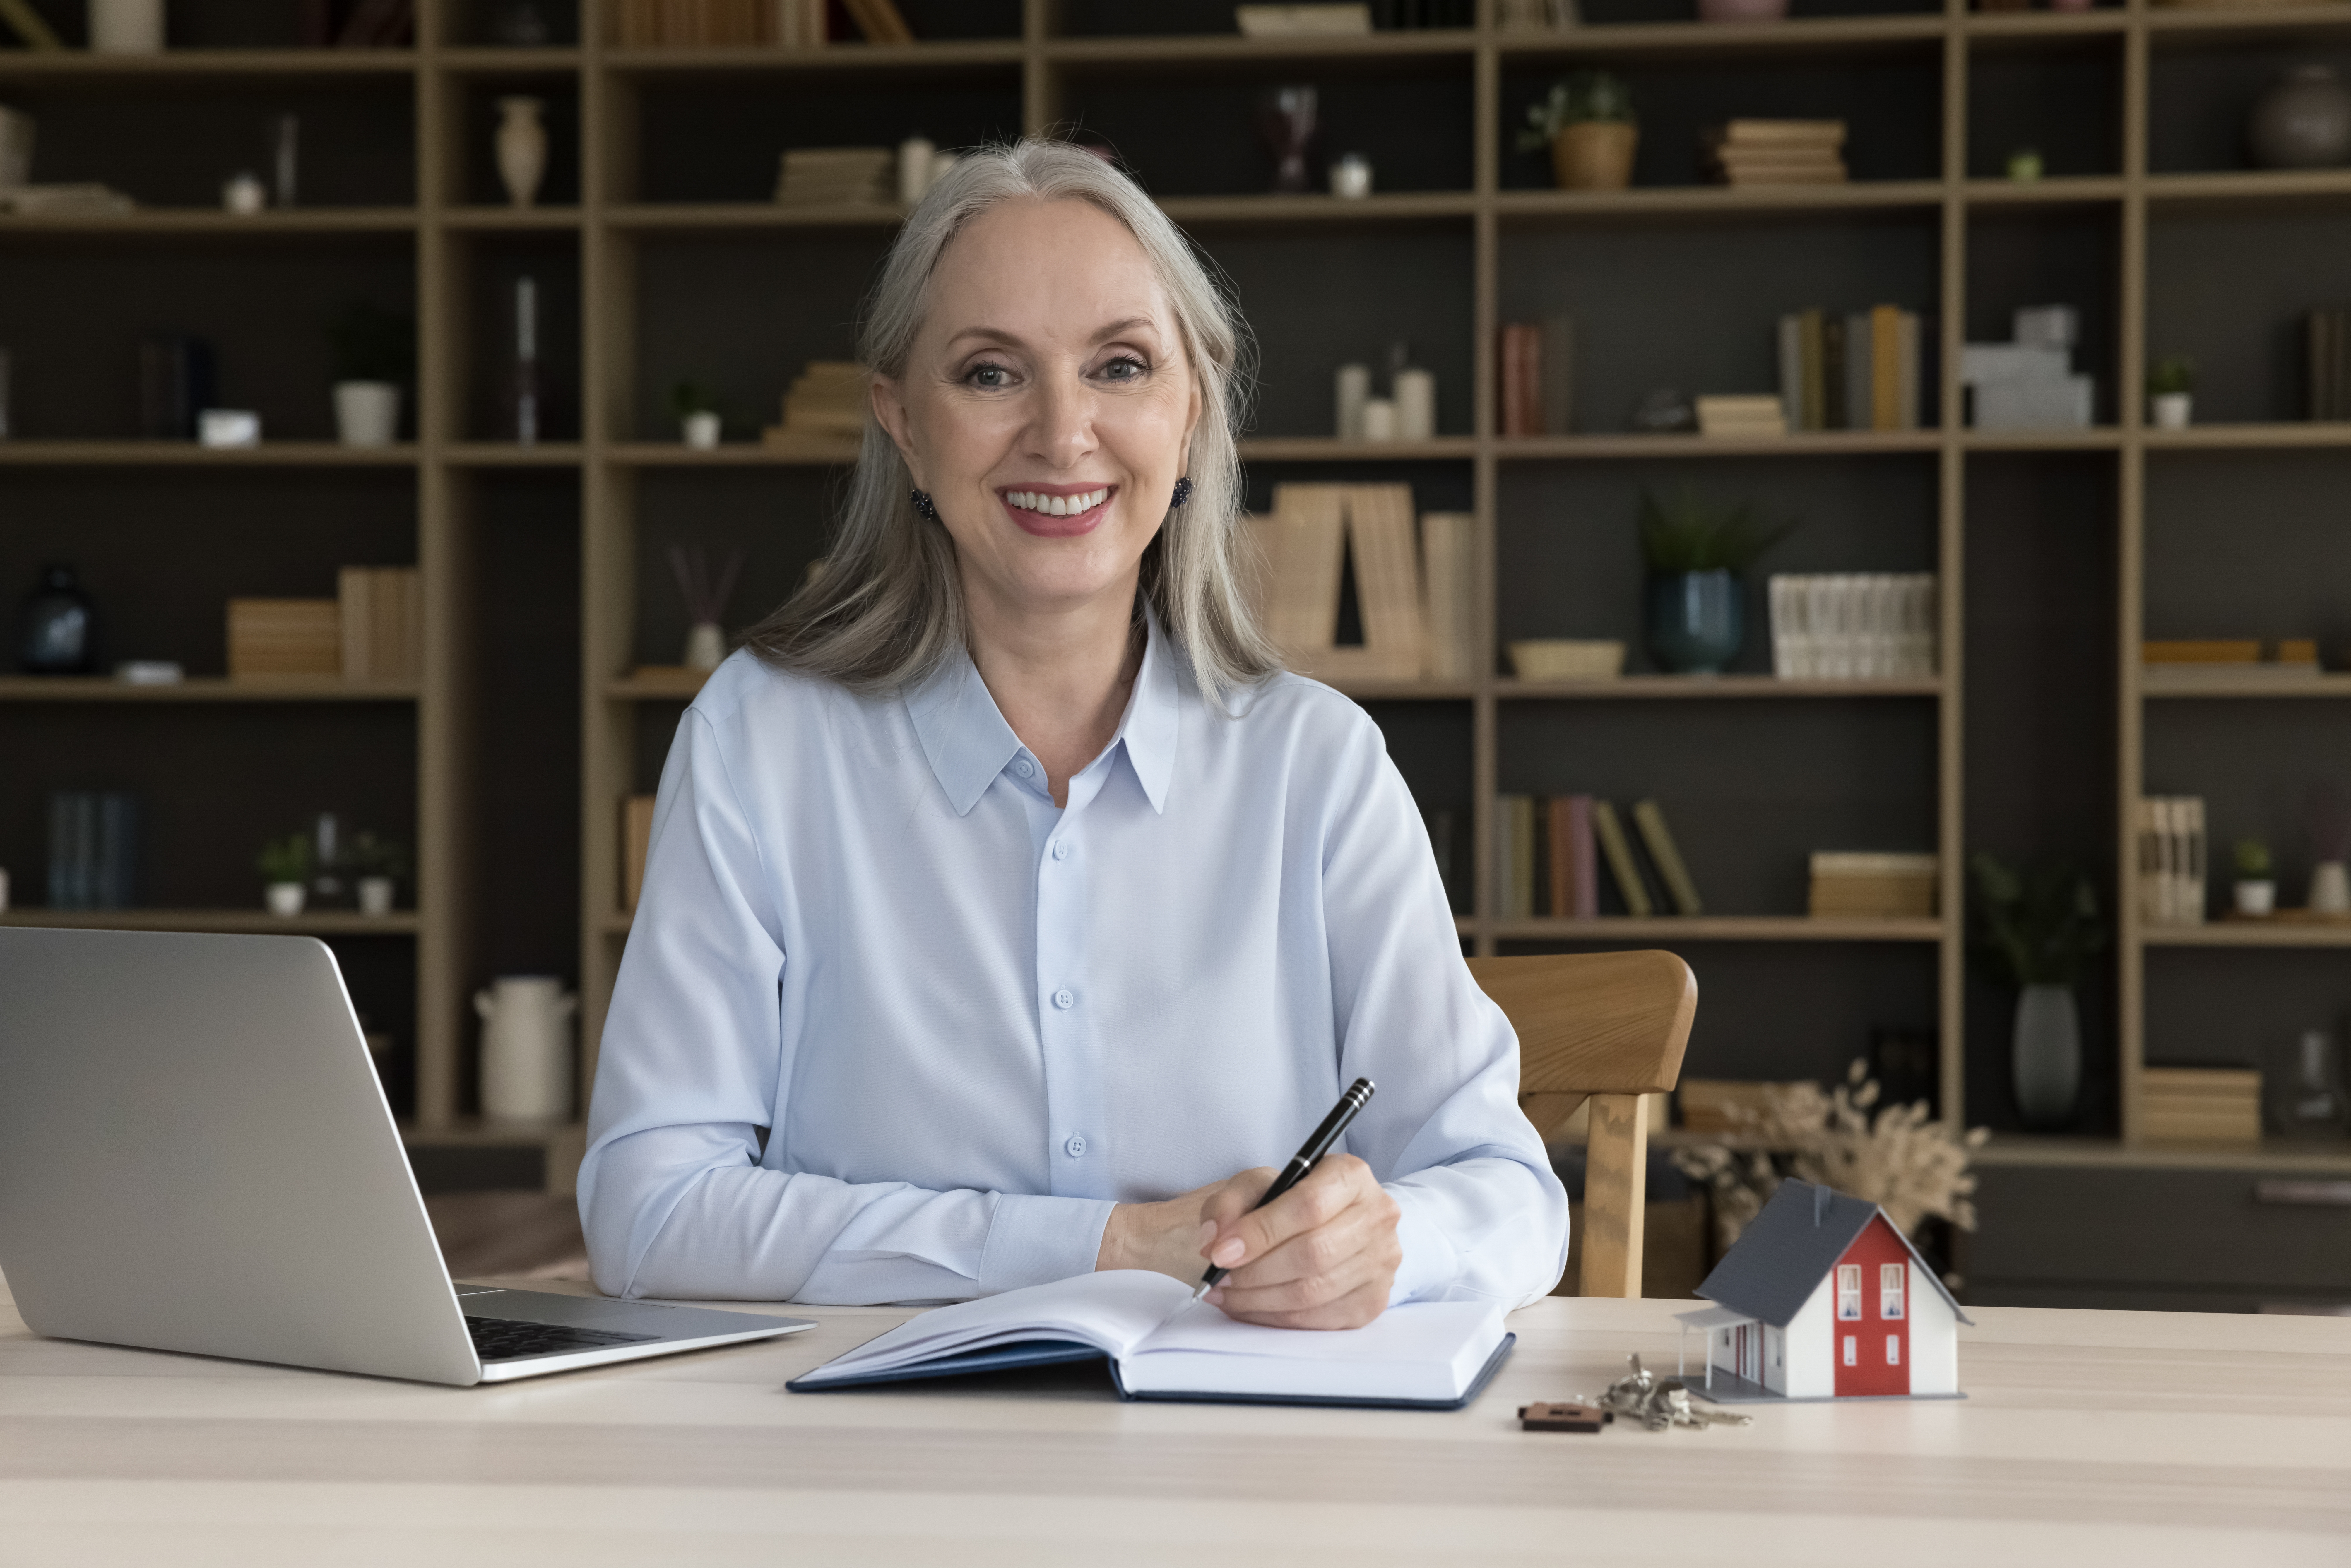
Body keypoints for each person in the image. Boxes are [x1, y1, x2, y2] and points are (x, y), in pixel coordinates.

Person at [579, 136, 1568, 1330]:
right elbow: (645, 1211)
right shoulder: (759, 741)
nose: (1062, 433)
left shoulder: (1319, 766)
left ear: (1190, 409)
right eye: (992, 374)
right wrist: (1107, 1245)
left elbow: (1509, 1190)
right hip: (867, 1482)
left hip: (1240, 1478)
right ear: (901, 421)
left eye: (1119, 366)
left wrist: (1381, 1250)